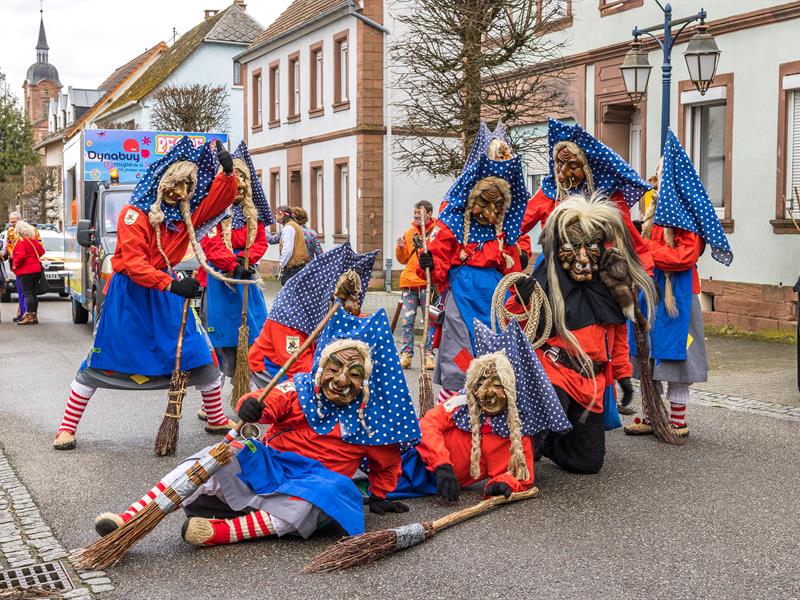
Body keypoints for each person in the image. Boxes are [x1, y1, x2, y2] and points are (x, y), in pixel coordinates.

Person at [93, 308, 420, 546]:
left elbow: (386, 457)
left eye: (354, 373)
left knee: (331, 495)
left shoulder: (369, 417)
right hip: (272, 465)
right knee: (216, 455)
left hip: (316, 482)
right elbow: (270, 400)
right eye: (335, 368)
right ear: (322, 369)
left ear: (364, 381)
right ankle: (134, 516)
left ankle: (218, 534)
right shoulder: (301, 388)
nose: (342, 379)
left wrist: (379, 494)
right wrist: (252, 405)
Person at [52, 137, 240, 451]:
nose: (181, 192)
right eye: (176, 184)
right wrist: (173, 284)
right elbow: (135, 264)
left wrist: (227, 173)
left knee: (198, 354)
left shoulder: (182, 213)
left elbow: (217, 202)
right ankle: (66, 428)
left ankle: (217, 418)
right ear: (162, 182)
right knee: (103, 359)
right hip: (131, 297)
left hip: (165, 293)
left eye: (188, 186)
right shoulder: (133, 215)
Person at [511, 193, 657, 474]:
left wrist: (624, 375)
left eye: (589, 247)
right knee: (544, 419)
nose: (581, 257)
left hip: (592, 382)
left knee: (588, 463)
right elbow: (515, 320)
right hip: (555, 372)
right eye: (573, 247)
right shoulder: (547, 277)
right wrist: (521, 297)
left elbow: (617, 334)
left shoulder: (611, 281)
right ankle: (532, 443)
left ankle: (551, 445)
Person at [624, 130, 733, 438]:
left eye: (662, 176)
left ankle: (677, 420)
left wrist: (648, 253)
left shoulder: (687, 216)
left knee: (676, 354)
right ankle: (651, 414)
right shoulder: (653, 210)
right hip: (651, 290)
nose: (658, 183)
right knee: (648, 352)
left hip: (678, 294)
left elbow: (685, 255)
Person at [389, 321, 571, 501]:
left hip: (433, 484)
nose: (488, 392)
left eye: (497, 385)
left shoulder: (515, 429)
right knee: (375, 468)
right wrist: (441, 463)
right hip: (412, 456)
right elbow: (429, 424)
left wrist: (503, 484)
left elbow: (522, 475)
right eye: (481, 383)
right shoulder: (465, 402)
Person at [417, 125, 528, 404]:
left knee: (494, 349)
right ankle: (453, 404)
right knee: (460, 348)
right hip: (461, 297)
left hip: (494, 298)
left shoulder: (502, 231)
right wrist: (427, 263)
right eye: (484, 204)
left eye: (497, 206)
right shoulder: (452, 225)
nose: (490, 213)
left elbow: (511, 266)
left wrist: (519, 291)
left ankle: (493, 403)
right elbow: (436, 265)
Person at [518, 118, 654, 275]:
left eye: (573, 166)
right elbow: (514, 226)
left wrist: (647, 276)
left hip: (598, 272)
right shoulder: (549, 193)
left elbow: (631, 240)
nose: (563, 174)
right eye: (560, 165)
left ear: (588, 167)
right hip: (555, 270)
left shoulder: (608, 197)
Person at [248, 242, 377, 388]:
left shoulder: (321, 307)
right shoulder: (288, 318)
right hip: (273, 369)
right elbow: (299, 369)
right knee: (300, 400)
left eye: (355, 296)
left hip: (307, 361)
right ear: (326, 294)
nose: (353, 305)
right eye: (344, 298)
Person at [199, 141, 272, 381]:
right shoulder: (215, 213)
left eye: (243, 178)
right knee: (221, 338)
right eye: (234, 177)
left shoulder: (253, 215)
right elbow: (211, 244)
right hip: (220, 281)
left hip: (247, 280)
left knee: (254, 334)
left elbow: (260, 241)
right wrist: (232, 264)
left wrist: (246, 260)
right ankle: (213, 399)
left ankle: (251, 388)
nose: (238, 184)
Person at [395, 200, 436, 370]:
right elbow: (403, 259)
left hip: (428, 284)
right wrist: (400, 247)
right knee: (408, 321)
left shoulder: (436, 234)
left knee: (429, 321)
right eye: (415, 215)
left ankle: (428, 354)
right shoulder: (410, 233)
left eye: (419, 214)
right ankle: (406, 354)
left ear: (429, 214)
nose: (416, 217)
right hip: (409, 284)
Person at [11, 220, 45, 325]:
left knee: (27, 293)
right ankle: (34, 316)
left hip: (26, 271)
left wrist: (14, 266)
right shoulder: (33, 241)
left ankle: (29, 316)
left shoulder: (21, 241)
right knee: (33, 294)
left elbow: (20, 256)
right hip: (36, 270)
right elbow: (42, 251)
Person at [275, 205, 309, 285]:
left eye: (276, 213)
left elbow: (288, 250)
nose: (275, 216)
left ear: (282, 215)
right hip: (298, 266)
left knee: (289, 294)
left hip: (293, 268)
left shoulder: (288, 228)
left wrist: (281, 264)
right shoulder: (294, 225)